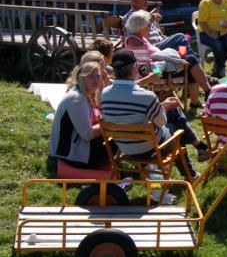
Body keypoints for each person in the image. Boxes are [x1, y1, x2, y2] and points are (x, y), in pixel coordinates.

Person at [101, 50, 210, 178]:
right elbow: (162, 122)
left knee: (172, 111)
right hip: (149, 149)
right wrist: (162, 107)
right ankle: (191, 171)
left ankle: (199, 148)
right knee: (175, 129)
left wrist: (161, 106)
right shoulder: (146, 96)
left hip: (125, 147)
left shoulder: (105, 94)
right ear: (135, 68)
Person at [125, 10, 212, 108]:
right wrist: (166, 62)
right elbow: (147, 64)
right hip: (157, 71)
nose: (150, 27)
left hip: (159, 66)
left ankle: (199, 98)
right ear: (140, 27)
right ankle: (205, 93)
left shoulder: (137, 38)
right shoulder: (135, 42)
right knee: (192, 61)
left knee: (191, 61)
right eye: (148, 25)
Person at [49, 62, 109, 169]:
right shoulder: (77, 99)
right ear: (82, 78)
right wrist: (108, 124)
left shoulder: (83, 94)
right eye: (91, 76)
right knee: (117, 139)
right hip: (70, 156)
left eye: (98, 76)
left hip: (75, 151)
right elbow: (87, 134)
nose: (96, 80)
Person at [121, 0, 194, 54]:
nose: (146, 0)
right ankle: (190, 59)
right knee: (180, 37)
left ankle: (189, 59)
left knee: (182, 43)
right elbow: (134, 38)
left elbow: (154, 32)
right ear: (134, 1)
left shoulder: (145, 14)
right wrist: (151, 21)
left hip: (160, 42)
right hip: (151, 47)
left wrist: (159, 31)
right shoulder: (130, 17)